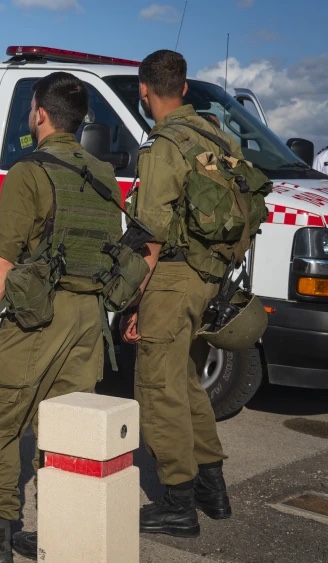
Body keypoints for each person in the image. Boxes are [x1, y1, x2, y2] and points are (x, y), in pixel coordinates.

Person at [0, 72, 122, 563]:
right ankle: (58, 531)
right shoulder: (103, 174)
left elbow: (0, 261)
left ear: (39, 113)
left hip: (39, 315)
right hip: (89, 318)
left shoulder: (30, 170)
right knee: (64, 429)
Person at [120, 49, 233, 538]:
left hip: (174, 274)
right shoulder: (218, 136)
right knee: (185, 380)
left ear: (144, 91)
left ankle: (178, 503)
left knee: (158, 387)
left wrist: (134, 300)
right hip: (210, 273)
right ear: (184, 88)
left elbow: (151, 233)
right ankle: (213, 489)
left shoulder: (164, 145)